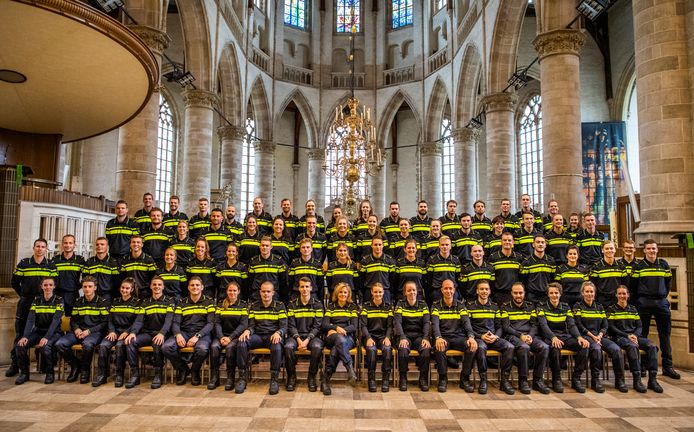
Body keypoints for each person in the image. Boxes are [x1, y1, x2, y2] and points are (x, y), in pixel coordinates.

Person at [8, 238, 57, 378]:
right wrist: (24, 295)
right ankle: (16, 364)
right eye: (37, 246)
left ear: (46, 249)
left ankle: (42, 363)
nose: (40, 249)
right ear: (34, 247)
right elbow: (14, 282)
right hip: (26, 302)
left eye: (42, 246)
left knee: (42, 331)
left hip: (43, 303)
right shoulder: (24, 264)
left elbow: (54, 285)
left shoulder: (51, 266)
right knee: (20, 333)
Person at [630, 239, 679, 379]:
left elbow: (668, 283)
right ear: (644, 250)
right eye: (649, 249)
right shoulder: (639, 266)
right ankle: (643, 366)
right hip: (644, 302)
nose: (652, 251)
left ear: (657, 250)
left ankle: (667, 366)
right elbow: (633, 286)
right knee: (642, 335)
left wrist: (663, 296)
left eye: (654, 248)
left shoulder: (663, 265)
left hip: (661, 303)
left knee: (665, 335)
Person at [573, 281, 627, 392]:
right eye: (587, 291)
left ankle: (619, 380)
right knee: (596, 350)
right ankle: (595, 380)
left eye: (591, 291)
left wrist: (600, 335)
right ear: (582, 293)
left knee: (616, 350)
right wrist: (593, 336)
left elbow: (605, 324)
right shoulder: (578, 306)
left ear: (595, 293)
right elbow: (578, 324)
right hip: (586, 335)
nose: (589, 294)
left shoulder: (599, 306)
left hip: (600, 336)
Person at [606, 285, 663, 393]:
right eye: (619, 294)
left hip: (634, 336)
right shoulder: (611, 309)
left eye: (624, 293)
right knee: (632, 346)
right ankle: (637, 380)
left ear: (628, 295)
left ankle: (652, 380)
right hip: (620, 337)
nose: (622, 296)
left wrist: (635, 336)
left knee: (652, 346)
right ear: (616, 295)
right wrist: (627, 336)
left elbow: (639, 326)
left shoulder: (633, 309)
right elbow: (612, 327)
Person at [537, 282, 589, 393]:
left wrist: (579, 337)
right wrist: (553, 337)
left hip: (565, 336)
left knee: (583, 346)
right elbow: (543, 326)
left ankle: (576, 379)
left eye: (556, 293)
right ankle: (556, 379)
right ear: (548, 294)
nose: (554, 295)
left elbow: (571, 325)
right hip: (549, 337)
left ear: (560, 294)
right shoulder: (541, 307)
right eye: (551, 293)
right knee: (555, 348)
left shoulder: (566, 307)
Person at [236, 281, 287, 395]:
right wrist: (248, 330)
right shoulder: (254, 306)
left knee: (277, 347)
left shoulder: (280, 306)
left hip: (272, 336)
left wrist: (279, 332)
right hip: (258, 336)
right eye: (263, 291)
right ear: (260, 292)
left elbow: (284, 326)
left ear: (273, 293)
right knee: (241, 342)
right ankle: (242, 378)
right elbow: (252, 325)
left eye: (268, 291)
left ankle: (274, 379)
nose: (266, 294)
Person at [55, 276, 109, 384]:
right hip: (78, 332)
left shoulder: (102, 302)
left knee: (88, 344)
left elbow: (104, 323)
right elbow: (73, 320)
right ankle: (75, 365)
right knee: (60, 344)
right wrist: (76, 329)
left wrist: (89, 331)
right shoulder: (78, 302)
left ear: (95, 288)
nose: (87, 289)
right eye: (85, 287)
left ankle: (85, 370)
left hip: (94, 333)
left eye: (90, 286)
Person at [163, 276, 215, 386]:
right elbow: (175, 322)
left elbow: (211, 323)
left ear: (202, 287)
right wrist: (178, 335)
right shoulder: (181, 303)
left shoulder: (209, 302)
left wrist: (198, 335)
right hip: (184, 332)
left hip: (202, 334)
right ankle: (183, 369)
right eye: (192, 285)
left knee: (202, 349)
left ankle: (195, 371)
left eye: (197, 285)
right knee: (166, 347)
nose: (195, 287)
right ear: (188, 287)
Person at [465, 280, 515, 394]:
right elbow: (467, 327)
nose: (484, 291)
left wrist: (496, 336)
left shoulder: (495, 307)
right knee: (481, 348)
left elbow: (500, 326)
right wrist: (480, 336)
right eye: (481, 289)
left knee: (510, 347)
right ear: (477, 291)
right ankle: (483, 380)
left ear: (490, 291)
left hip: (493, 338)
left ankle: (504, 381)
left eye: (486, 289)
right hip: (479, 337)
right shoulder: (470, 307)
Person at [500, 282, 550, 394]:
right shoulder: (505, 307)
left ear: (524, 293)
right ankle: (523, 381)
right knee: (524, 347)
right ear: (511, 293)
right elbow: (506, 327)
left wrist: (530, 336)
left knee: (544, 347)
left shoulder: (531, 306)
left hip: (529, 335)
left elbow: (534, 325)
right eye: (516, 293)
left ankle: (537, 381)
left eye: (520, 293)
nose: (518, 295)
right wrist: (521, 336)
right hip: (513, 336)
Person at [126, 276, 174, 389]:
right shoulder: (145, 302)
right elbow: (139, 320)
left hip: (163, 334)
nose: (157, 286)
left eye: (159, 284)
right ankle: (135, 374)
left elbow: (169, 321)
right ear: (151, 286)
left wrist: (162, 333)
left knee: (157, 343)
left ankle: (158, 375)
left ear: (163, 287)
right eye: (154, 284)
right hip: (148, 333)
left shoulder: (169, 301)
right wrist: (133, 333)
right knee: (130, 342)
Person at [14, 277, 63, 385]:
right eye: (45, 285)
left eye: (50, 285)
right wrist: (25, 336)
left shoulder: (59, 300)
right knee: (20, 345)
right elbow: (30, 319)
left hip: (54, 333)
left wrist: (46, 337)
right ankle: (24, 374)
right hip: (38, 332)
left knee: (45, 347)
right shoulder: (36, 300)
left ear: (54, 286)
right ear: (41, 286)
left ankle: (50, 373)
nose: (48, 287)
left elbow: (55, 322)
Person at [431, 279, 477, 393]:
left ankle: (464, 379)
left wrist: (471, 337)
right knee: (439, 347)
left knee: (471, 347)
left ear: (454, 290)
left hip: (458, 337)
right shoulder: (436, 306)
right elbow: (435, 325)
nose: (448, 291)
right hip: (444, 337)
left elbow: (467, 323)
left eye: (450, 288)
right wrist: (438, 337)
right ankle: (443, 378)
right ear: (441, 290)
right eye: (446, 288)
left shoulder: (461, 305)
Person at [94, 278, 141, 387]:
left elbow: (137, 321)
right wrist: (111, 331)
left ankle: (119, 374)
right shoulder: (115, 301)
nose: (124, 290)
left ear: (132, 289)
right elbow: (110, 319)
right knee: (103, 346)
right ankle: (102, 374)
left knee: (120, 346)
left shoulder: (137, 303)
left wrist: (128, 332)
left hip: (127, 333)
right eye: (123, 288)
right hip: (114, 332)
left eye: (127, 288)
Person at [284, 277, 324, 392]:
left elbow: (317, 326)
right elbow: (291, 326)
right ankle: (291, 377)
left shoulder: (318, 304)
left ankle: (311, 377)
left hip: (312, 337)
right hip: (296, 336)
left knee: (317, 347)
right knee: (287, 347)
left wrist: (306, 340)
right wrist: (298, 339)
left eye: (307, 286)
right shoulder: (292, 304)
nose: (304, 289)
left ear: (311, 288)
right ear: (298, 288)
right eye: (302, 286)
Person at [208, 282, 248, 391]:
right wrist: (221, 337)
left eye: (234, 290)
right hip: (221, 336)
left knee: (230, 348)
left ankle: (230, 378)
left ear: (238, 292)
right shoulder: (220, 305)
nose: (232, 293)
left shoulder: (243, 305)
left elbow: (243, 325)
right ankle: (215, 377)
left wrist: (230, 338)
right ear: (226, 291)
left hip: (235, 337)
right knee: (214, 347)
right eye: (230, 290)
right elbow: (217, 323)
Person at [320, 282, 359, 395]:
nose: (343, 294)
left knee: (336, 348)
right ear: (337, 294)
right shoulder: (331, 306)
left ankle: (325, 380)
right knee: (339, 339)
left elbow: (354, 326)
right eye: (340, 292)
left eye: (345, 292)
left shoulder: (352, 307)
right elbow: (324, 324)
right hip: (331, 338)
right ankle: (350, 369)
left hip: (348, 338)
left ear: (348, 294)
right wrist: (335, 328)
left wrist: (343, 331)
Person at [394, 281, 431, 391]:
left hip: (419, 336)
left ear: (417, 291)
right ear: (405, 292)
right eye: (409, 290)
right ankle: (403, 378)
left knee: (426, 350)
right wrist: (402, 337)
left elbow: (426, 323)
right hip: (405, 336)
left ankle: (423, 379)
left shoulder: (423, 305)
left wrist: (426, 338)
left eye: (414, 290)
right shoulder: (400, 304)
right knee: (403, 350)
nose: (412, 292)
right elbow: (397, 323)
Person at [360, 283, 394, 392]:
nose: (378, 294)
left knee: (387, 349)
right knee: (371, 350)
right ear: (372, 292)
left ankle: (385, 380)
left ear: (383, 292)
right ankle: (371, 380)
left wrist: (388, 337)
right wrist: (368, 337)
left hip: (383, 337)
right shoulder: (366, 307)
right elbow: (363, 326)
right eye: (375, 292)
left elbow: (390, 326)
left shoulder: (388, 307)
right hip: (370, 336)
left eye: (380, 292)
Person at [52, 234, 85, 317]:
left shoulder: (80, 260)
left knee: (72, 319)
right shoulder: (55, 259)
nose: (68, 245)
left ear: (74, 245)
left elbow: (86, 277)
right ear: (62, 244)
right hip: (58, 294)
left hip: (73, 294)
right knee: (57, 319)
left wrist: (78, 286)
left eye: (70, 243)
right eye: (65, 243)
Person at [247, 236, 288, 302]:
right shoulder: (253, 261)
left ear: (271, 247)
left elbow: (283, 281)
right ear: (259, 246)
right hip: (257, 295)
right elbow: (250, 280)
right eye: (263, 245)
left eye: (267, 245)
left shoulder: (278, 261)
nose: (264, 248)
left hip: (273, 295)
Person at [488, 232, 523, 305]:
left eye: (509, 240)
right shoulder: (493, 258)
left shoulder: (519, 257)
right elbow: (490, 278)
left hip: (515, 294)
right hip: (499, 295)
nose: (507, 242)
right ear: (501, 242)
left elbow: (522, 277)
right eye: (505, 240)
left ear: (513, 242)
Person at [359, 235, 396, 303]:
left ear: (383, 246)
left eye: (379, 244)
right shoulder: (365, 261)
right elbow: (361, 279)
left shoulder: (390, 261)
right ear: (372, 246)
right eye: (375, 244)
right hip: (369, 293)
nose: (378, 247)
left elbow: (392, 280)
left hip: (385, 292)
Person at [589, 240, 626, 307]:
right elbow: (593, 285)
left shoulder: (621, 266)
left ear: (615, 250)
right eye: (607, 248)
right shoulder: (596, 267)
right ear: (602, 250)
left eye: (611, 248)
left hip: (618, 300)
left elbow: (625, 284)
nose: (609, 250)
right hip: (602, 301)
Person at [520, 235, 556, 303]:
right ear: (533, 244)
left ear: (545, 245)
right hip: (531, 296)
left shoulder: (551, 261)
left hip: (546, 296)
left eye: (542, 242)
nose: (540, 244)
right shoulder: (526, 262)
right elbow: (523, 281)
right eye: (538, 242)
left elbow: (552, 280)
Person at [426, 236, 461, 304]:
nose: (445, 247)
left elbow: (457, 277)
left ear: (450, 246)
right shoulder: (432, 260)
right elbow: (429, 278)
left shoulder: (455, 260)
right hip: (437, 291)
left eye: (447, 245)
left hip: (452, 291)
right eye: (442, 245)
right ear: (439, 246)